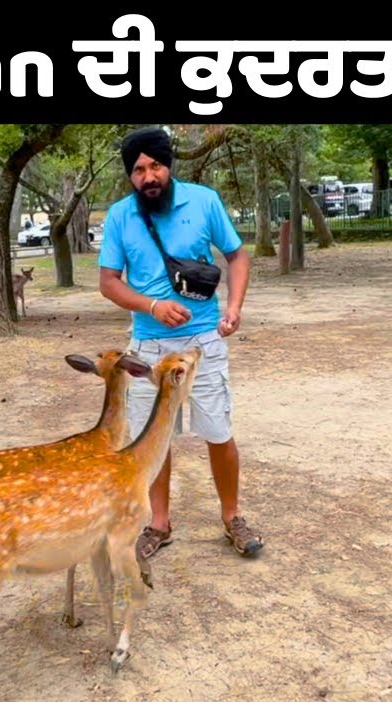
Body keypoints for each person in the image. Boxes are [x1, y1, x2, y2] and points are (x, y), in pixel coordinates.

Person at [97, 126, 263, 560]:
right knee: (156, 438)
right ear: (130, 176)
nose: (148, 176)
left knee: (218, 431)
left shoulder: (203, 201)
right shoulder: (119, 216)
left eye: (154, 166)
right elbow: (109, 283)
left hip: (202, 341)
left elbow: (237, 255)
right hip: (148, 348)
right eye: (138, 170)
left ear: (168, 165)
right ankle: (159, 523)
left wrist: (234, 306)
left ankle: (232, 518)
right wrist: (152, 306)